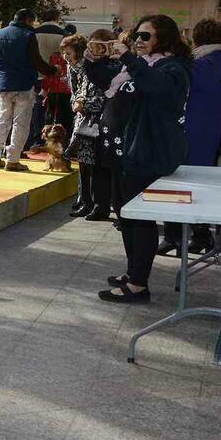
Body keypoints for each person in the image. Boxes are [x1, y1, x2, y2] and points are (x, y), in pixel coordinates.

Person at [85, 15, 191, 303]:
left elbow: (157, 88)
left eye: (145, 36)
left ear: (164, 38)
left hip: (145, 152)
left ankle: (138, 285)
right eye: (136, 36)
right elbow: (107, 79)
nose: (138, 41)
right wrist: (92, 60)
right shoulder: (137, 66)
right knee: (126, 214)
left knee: (140, 218)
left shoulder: (173, 67)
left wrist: (131, 59)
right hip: (122, 151)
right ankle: (134, 273)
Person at [159, 18, 221, 255]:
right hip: (212, 133)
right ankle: (203, 235)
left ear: (196, 38)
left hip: (194, 131)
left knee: (182, 181)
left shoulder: (197, 64)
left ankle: (175, 235)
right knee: (209, 185)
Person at [0, 9, 57, 171]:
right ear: (27, 21)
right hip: (24, 84)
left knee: (2, 121)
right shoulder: (27, 36)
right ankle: (12, 159)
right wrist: (53, 70)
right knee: (20, 123)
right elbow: (36, 61)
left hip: (3, 84)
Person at [65, 32, 111, 221]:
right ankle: (85, 201)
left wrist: (83, 105)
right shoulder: (87, 68)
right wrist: (78, 103)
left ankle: (96, 204)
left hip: (98, 124)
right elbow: (79, 92)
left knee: (96, 168)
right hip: (84, 122)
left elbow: (104, 97)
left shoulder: (110, 67)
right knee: (84, 166)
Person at [35, 9, 73, 137]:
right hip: (57, 78)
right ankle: (56, 137)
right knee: (54, 112)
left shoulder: (34, 33)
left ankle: (37, 137)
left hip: (37, 75)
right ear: (57, 18)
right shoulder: (64, 34)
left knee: (37, 110)